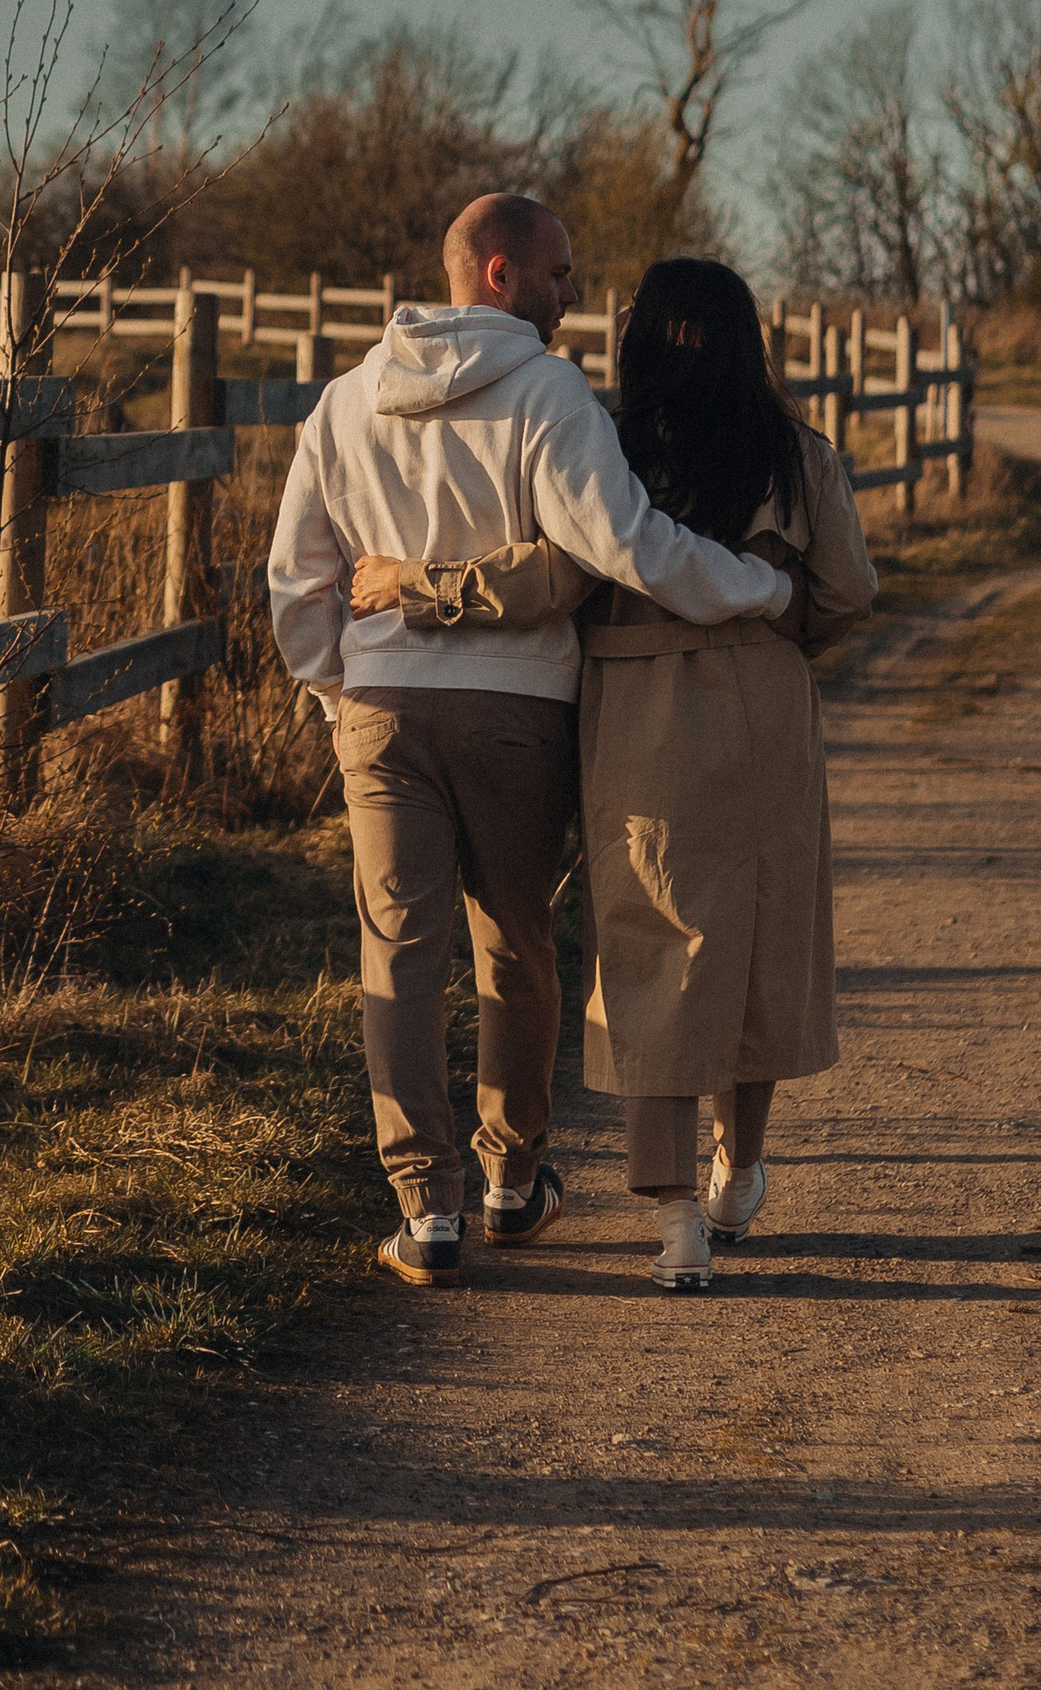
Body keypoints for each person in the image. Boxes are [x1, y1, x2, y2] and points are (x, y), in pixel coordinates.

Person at [266, 196, 793, 1288]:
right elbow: (622, 541)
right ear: (498, 273)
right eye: (557, 274)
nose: (572, 295)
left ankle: (425, 1208)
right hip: (516, 711)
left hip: (379, 705)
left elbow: (295, 579)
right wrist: (753, 584)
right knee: (514, 938)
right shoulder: (549, 392)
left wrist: (336, 694)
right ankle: (512, 1180)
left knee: (398, 954)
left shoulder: (345, 398)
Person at [365, 254, 877, 1293]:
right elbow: (848, 589)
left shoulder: (614, 448)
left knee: (656, 945)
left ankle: (677, 1219)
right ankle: (739, 1165)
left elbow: (555, 572)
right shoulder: (799, 451)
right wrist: (782, 618)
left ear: (642, 340)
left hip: (642, 713)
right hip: (767, 704)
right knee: (758, 932)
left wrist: (417, 586)